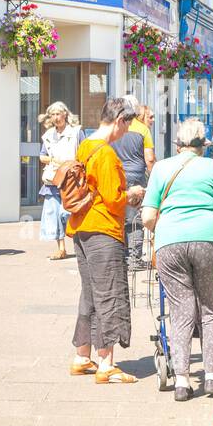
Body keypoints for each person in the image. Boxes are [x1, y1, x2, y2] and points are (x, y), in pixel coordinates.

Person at [141, 118, 213, 402]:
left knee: (181, 312)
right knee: (210, 307)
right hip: (207, 239)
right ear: (202, 147)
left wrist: (170, 226)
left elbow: (147, 217)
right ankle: (211, 377)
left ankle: (182, 381)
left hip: (170, 242)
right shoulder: (212, 167)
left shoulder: (160, 168)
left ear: (178, 145)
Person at [67, 98, 145, 383]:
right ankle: (106, 364)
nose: (127, 132)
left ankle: (81, 356)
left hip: (81, 229)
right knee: (109, 293)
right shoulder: (107, 155)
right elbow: (114, 200)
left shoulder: (85, 146)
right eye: (127, 125)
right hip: (103, 231)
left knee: (89, 294)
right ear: (119, 120)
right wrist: (134, 193)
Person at [38, 101, 81, 260]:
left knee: (70, 213)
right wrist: (53, 159)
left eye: (58, 114)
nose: (56, 118)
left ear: (65, 114)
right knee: (54, 215)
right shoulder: (48, 135)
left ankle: (79, 246)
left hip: (71, 179)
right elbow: (42, 156)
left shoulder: (76, 132)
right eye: (53, 115)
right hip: (53, 180)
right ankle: (61, 248)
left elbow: (82, 152)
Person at [112, 94, 150, 271]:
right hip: (136, 177)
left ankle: (120, 257)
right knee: (135, 219)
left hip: (117, 175)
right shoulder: (142, 129)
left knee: (120, 216)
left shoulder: (115, 127)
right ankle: (134, 259)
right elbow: (149, 158)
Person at [129, 103, 156, 172]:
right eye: (151, 117)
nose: (153, 120)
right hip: (137, 174)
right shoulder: (144, 130)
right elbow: (150, 159)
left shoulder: (125, 126)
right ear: (142, 117)